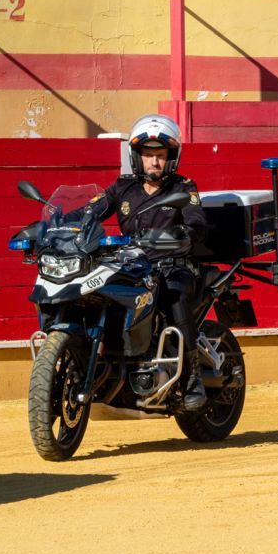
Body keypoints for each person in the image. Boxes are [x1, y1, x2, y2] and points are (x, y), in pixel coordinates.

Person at [85, 114, 210, 412]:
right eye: (148, 155)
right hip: (134, 266)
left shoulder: (183, 187)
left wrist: (184, 234)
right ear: (137, 157)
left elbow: (197, 221)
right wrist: (69, 224)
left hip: (175, 265)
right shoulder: (123, 188)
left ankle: (193, 378)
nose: (154, 162)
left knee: (173, 296)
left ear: (171, 158)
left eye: (160, 155)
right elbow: (92, 210)